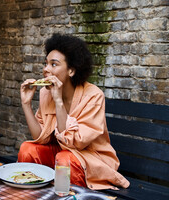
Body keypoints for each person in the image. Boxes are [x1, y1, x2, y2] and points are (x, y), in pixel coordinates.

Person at [18, 33, 129, 190]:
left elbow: (76, 144)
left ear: (71, 70)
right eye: (46, 63)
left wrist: (58, 101)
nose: (46, 69)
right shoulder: (45, 92)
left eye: (54, 64)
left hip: (89, 158)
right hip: (62, 154)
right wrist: (26, 103)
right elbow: (40, 138)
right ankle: (32, 194)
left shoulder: (93, 95)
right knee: (27, 149)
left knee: (65, 159)